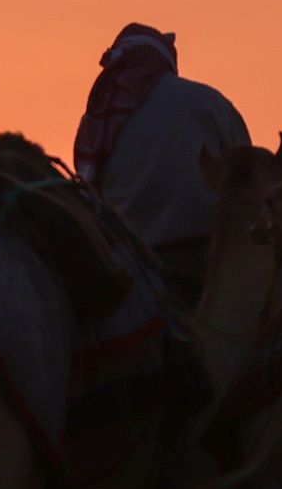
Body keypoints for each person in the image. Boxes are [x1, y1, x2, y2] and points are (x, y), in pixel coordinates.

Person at [70, 22, 252, 306]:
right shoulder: (208, 101)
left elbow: (91, 195)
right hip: (211, 260)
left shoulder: (97, 120)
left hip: (133, 268)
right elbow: (249, 177)